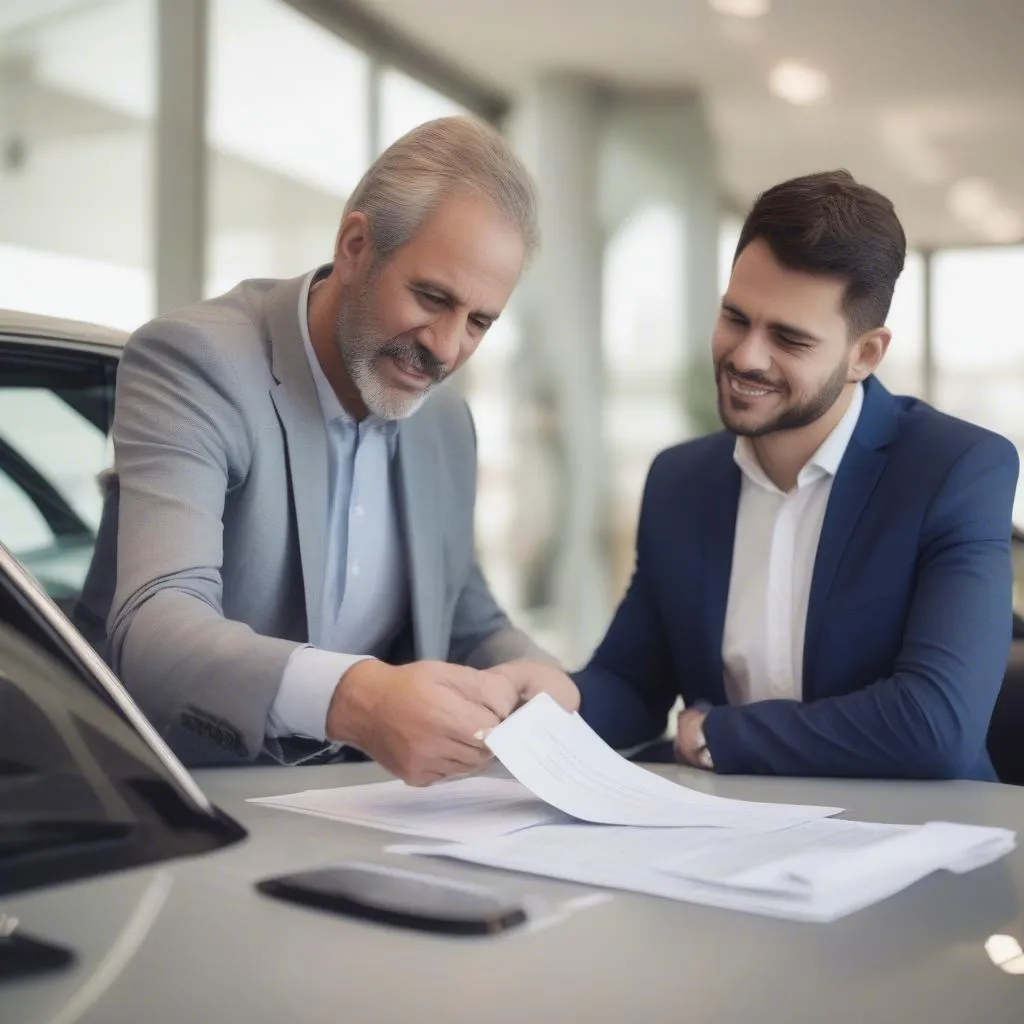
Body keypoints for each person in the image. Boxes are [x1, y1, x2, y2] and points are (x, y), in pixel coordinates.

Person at [80, 116, 576, 783]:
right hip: (170, 801)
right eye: (432, 297)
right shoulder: (198, 362)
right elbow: (157, 627)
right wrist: (361, 698)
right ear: (354, 246)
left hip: (363, 809)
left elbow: (468, 620)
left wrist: (539, 675)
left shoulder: (446, 423)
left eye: (480, 321)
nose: (448, 347)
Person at [576, 169, 1018, 780]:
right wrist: (540, 701)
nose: (746, 356)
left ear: (864, 355)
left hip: (916, 838)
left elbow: (933, 724)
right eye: (736, 317)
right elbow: (631, 683)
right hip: (726, 840)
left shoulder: (956, 470)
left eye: (789, 338)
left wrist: (720, 736)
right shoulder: (680, 480)